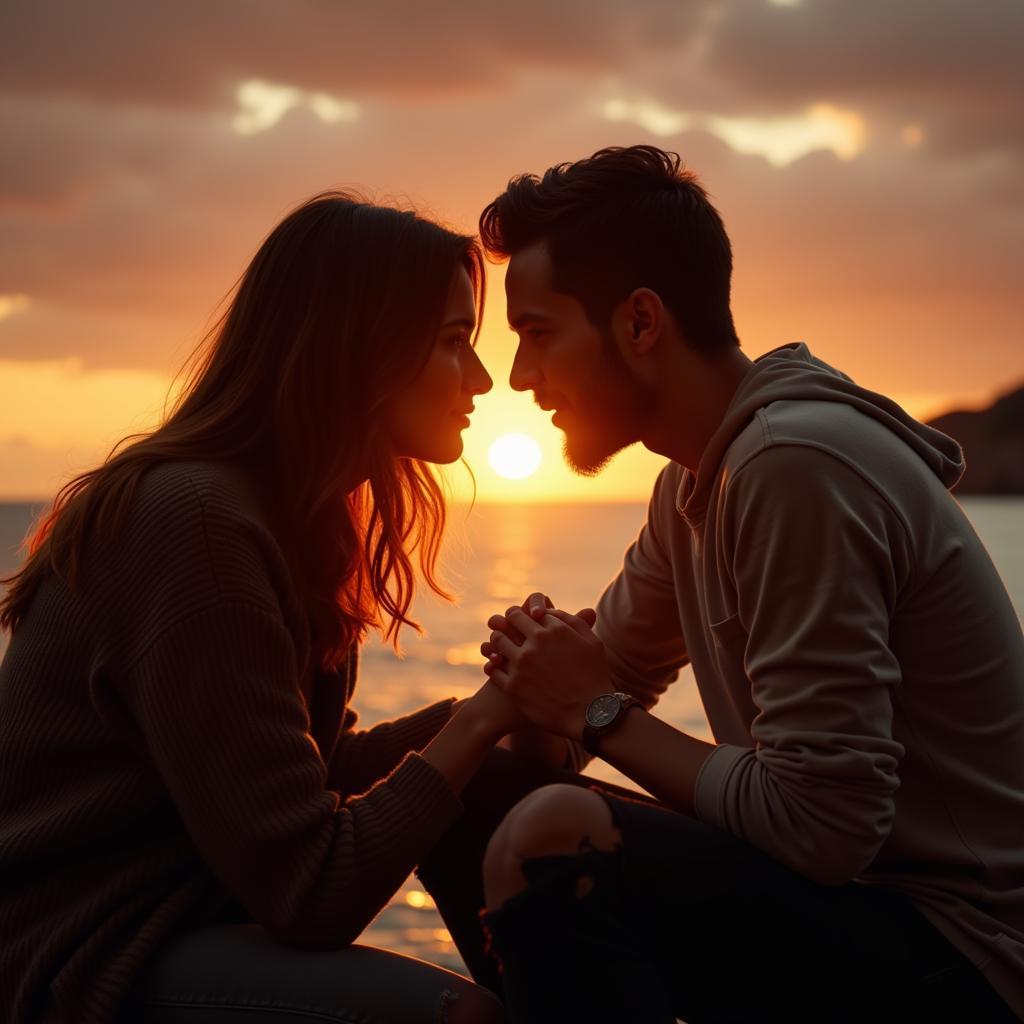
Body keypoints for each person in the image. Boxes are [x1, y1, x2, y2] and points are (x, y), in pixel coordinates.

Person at [417, 146, 1024, 1022]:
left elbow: (824, 827)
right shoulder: (695, 481)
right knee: (466, 788)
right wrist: (541, 687)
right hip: (852, 910)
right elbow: (597, 692)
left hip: (967, 954)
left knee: (557, 840)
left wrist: (592, 711)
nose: (519, 376)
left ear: (640, 323)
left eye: (538, 332)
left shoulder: (791, 466)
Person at [0, 192, 524, 1023]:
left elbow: (302, 777)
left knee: (498, 773)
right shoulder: (197, 527)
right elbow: (312, 889)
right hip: (80, 955)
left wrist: (498, 714)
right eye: (455, 342)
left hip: (177, 922)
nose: (483, 378)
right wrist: (483, 717)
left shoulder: (290, 519)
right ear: (363, 350)